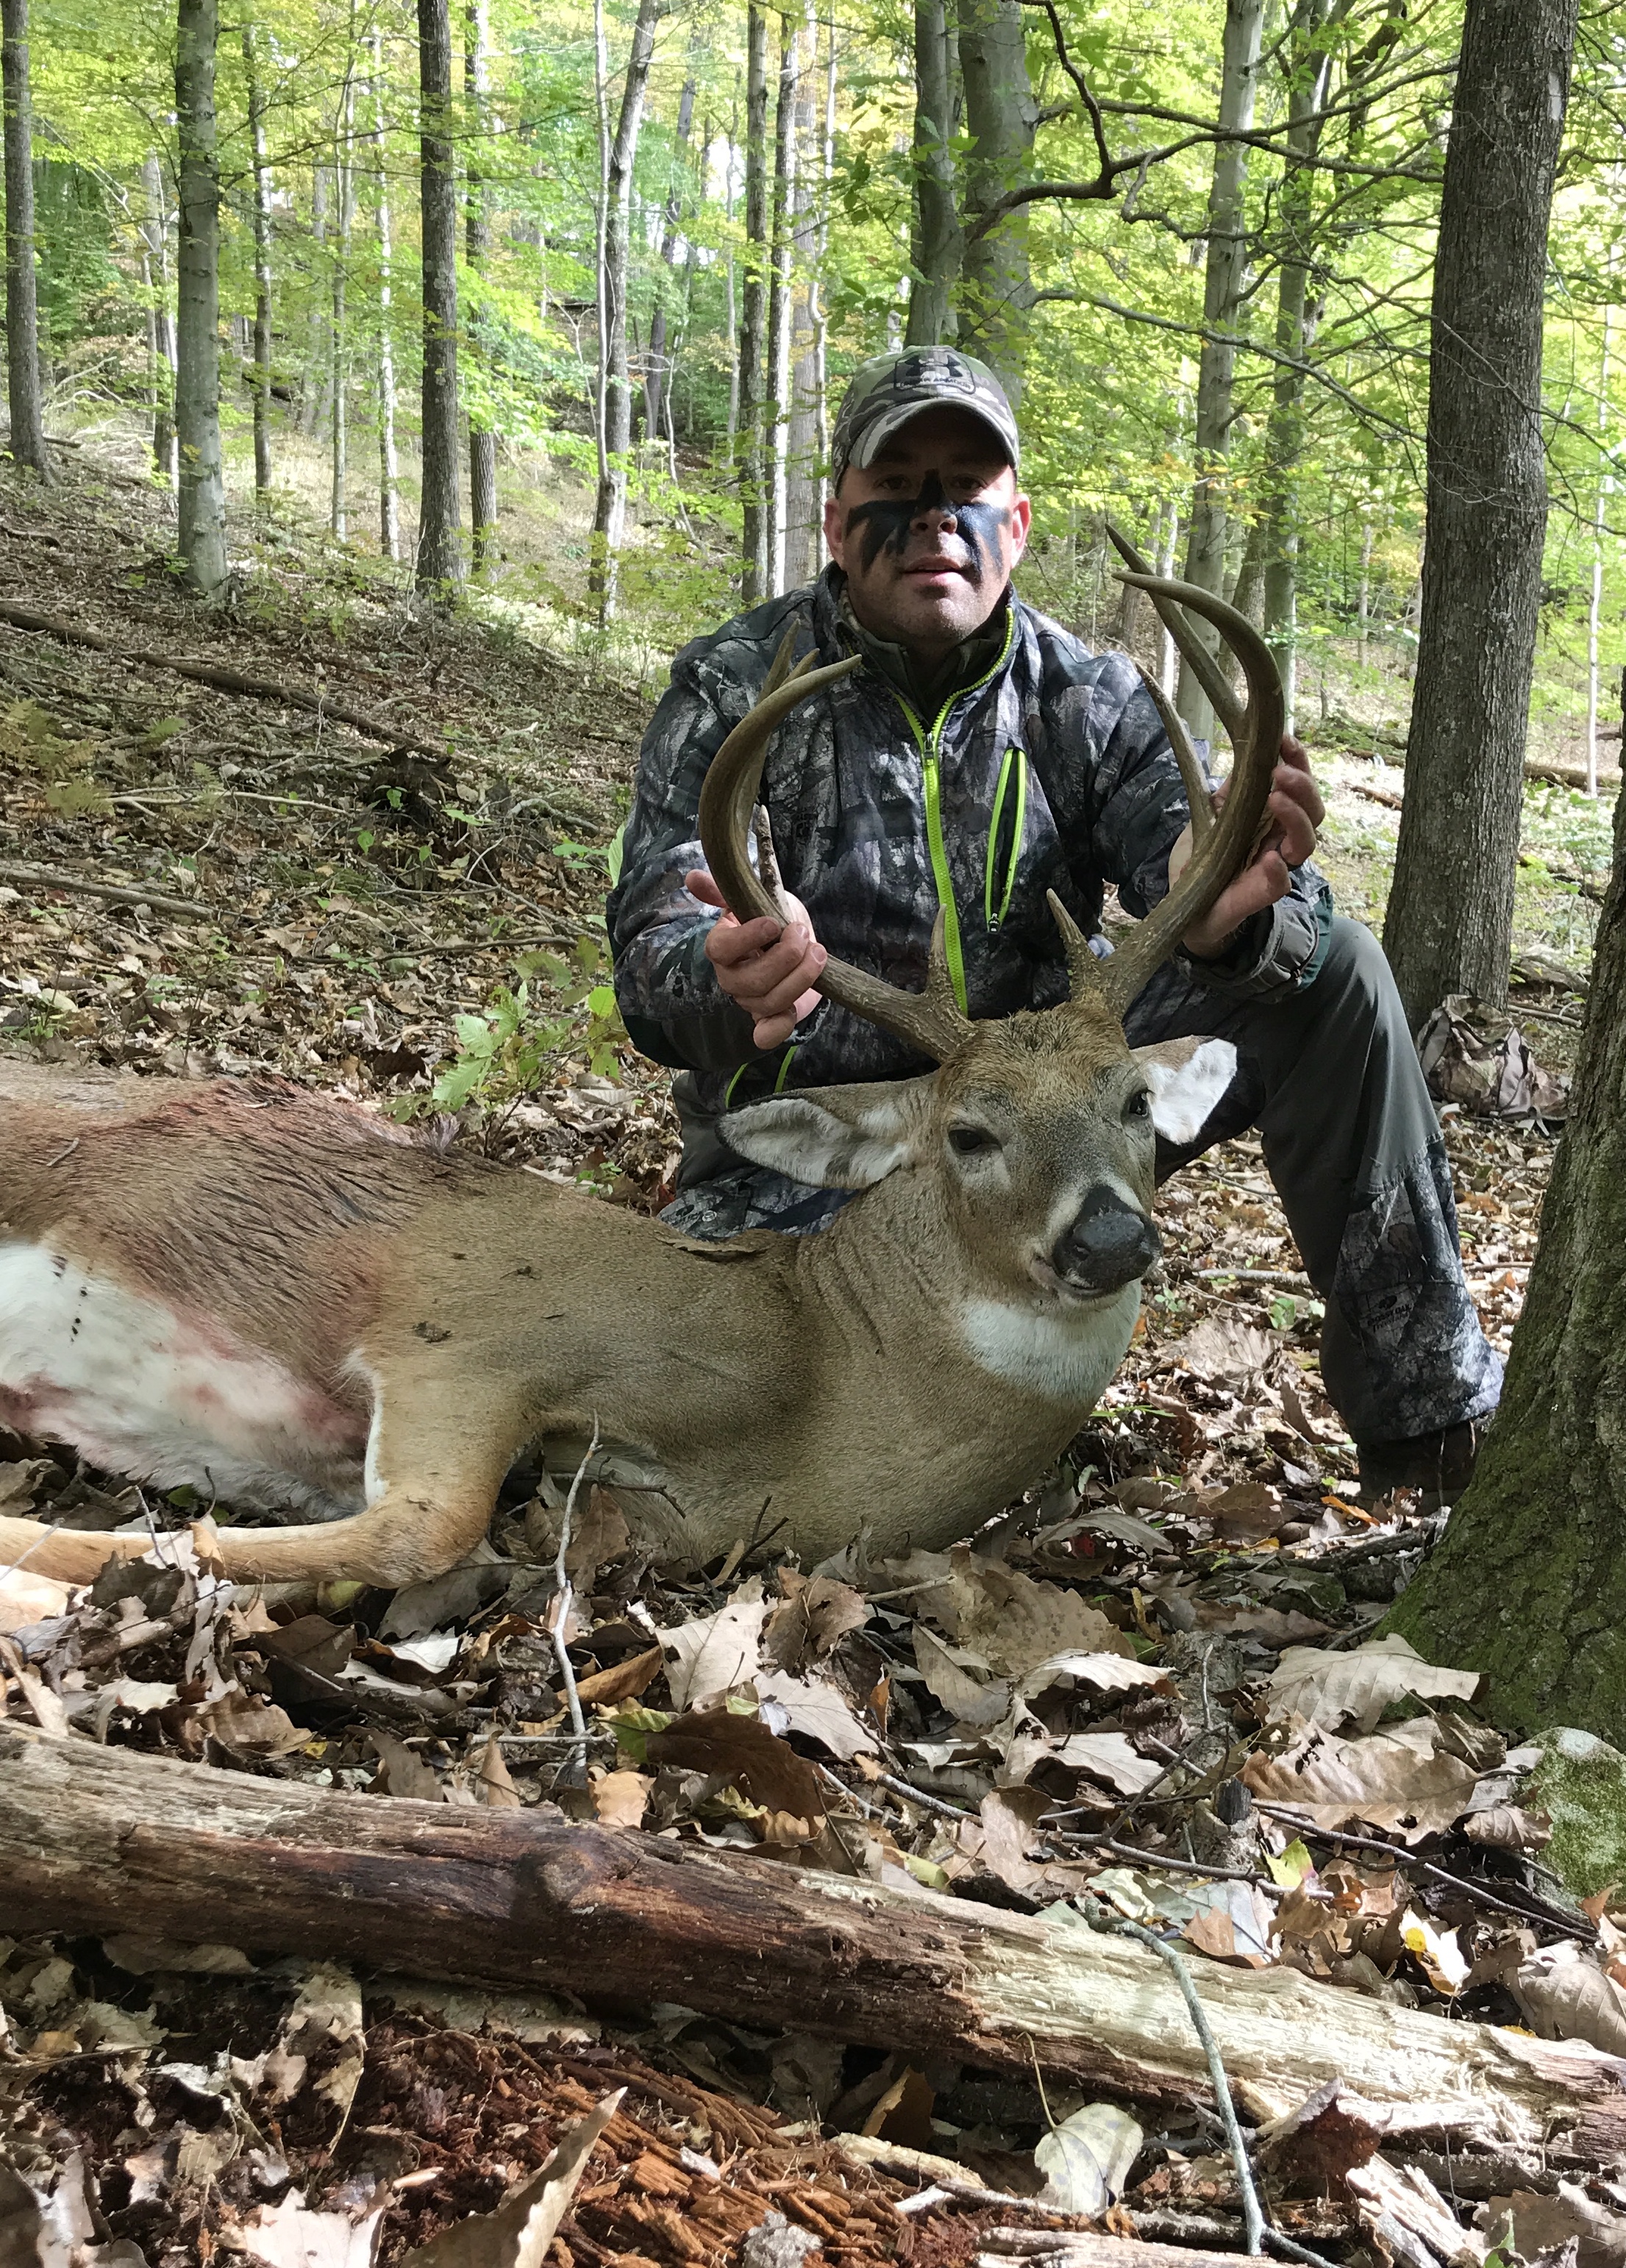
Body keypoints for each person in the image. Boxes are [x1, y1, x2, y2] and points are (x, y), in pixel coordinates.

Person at [605, 346, 1500, 1499]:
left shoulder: (1090, 698)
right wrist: (727, 977)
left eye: (966, 490)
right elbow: (654, 948)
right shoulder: (737, 690)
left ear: (1016, 525)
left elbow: (1224, 871)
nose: (935, 519)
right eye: (898, 488)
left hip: (1053, 1127)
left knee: (1338, 971)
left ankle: (1433, 1439)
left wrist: (1224, 910)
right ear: (835, 522)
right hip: (830, 1152)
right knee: (672, 1399)